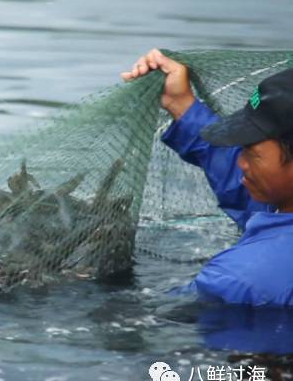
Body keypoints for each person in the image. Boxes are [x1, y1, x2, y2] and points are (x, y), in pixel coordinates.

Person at [123, 49, 293, 306]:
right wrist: (181, 105)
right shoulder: (281, 202)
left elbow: (163, 318)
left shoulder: (241, 278)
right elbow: (239, 180)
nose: (240, 162)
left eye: (253, 154)